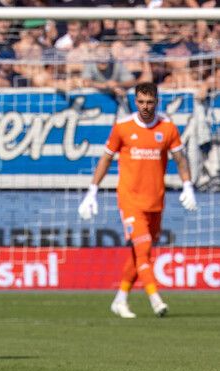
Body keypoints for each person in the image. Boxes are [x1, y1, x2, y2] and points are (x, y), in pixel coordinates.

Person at [78, 82, 198, 318]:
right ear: (135, 101)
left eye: (150, 102)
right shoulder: (122, 128)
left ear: (157, 101)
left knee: (140, 253)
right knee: (142, 250)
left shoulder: (168, 128)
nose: (145, 107)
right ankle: (156, 300)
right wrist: (92, 191)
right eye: (141, 102)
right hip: (129, 199)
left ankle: (120, 299)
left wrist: (187, 185)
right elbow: (105, 159)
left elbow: (181, 159)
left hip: (155, 200)